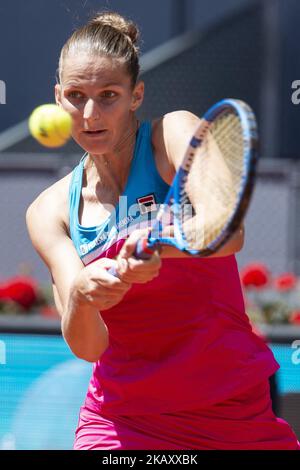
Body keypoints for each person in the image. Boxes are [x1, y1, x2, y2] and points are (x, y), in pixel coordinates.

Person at [26, 11, 299, 450]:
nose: (90, 114)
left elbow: (228, 230)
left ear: (136, 95)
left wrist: (157, 247)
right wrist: (82, 295)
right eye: (76, 96)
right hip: (119, 419)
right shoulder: (49, 210)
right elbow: (88, 346)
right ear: (58, 98)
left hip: (228, 406)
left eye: (109, 95)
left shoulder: (173, 135)